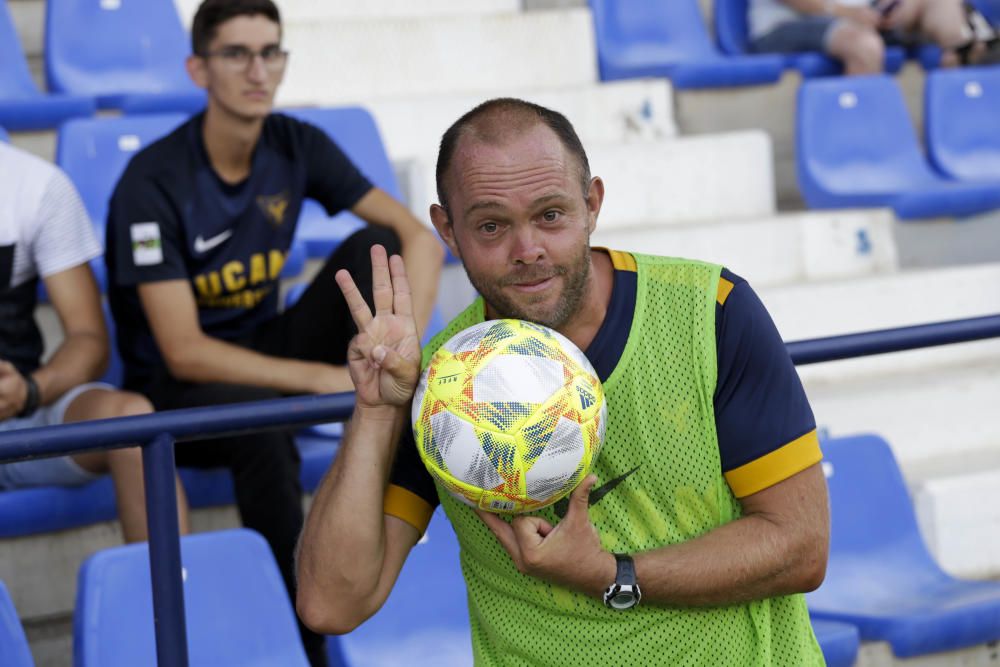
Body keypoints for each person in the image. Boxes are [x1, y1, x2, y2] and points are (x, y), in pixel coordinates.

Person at [296, 98, 830, 665]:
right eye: (491, 225)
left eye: (550, 215)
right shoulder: (439, 390)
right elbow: (332, 604)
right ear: (447, 230)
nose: (527, 251)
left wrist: (612, 575)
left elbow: (800, 547)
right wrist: (377, 411)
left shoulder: (709, 312)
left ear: (592, 203)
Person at [103, 0, 443, 663]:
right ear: (198, 68)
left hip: (265, 344)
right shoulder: (152, 183)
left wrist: (405, 349)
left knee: (374, 243)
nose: (258, 71)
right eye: (236, 54)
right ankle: (307, 636)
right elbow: (185, 350)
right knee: (263, 424)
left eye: (270, 52)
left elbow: (419, 240)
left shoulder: (295, 142)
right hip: (178, 388)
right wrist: (322, 379)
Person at [0, 141, 189, 544]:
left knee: (132, 419)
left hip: (16, 421)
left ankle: (173, 603)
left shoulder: (33, 184)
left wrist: (28, 391)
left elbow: (89, 340)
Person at [749, 0, 999, 73]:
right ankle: (855, 146)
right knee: (865, 45)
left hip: (860, 16)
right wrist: (845, 12)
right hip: (785, 25)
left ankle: (963, 52)